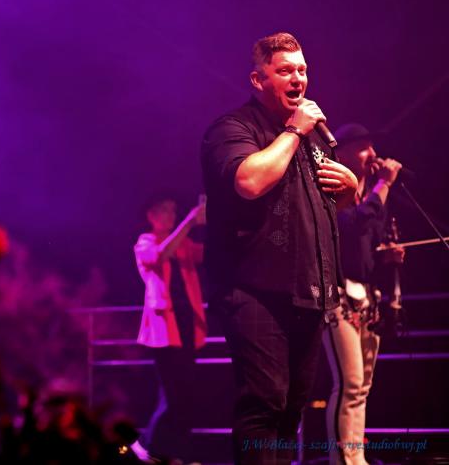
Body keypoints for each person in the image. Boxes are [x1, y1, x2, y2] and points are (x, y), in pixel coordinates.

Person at [200, 32, 358, 464]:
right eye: (285, 71)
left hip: (307, 294)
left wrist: (350, 190)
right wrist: (293, 130)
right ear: (258, 79)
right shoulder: (232, 128)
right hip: (253, 291)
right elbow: (250, 182)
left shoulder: (311, 138)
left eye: (302, 70)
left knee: (291, 410)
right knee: (264, 404)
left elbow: (319, 208)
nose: (298, 79)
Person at [322, 123, 405, 465]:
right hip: (338, 294)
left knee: (363, 386)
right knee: (349, 382)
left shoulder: (369, 194)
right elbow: (352, 224)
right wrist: (384, 185)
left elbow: (367, 240)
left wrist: (387, 255)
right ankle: (342, 460)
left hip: (366, 294)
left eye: (372, 146)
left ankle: (357, 458)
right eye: (363, 147)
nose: (372, 154)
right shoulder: (331, 186)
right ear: (341, 152)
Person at [131, 196, 207, 464]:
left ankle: (174, 453)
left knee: (185, 394)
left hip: (187, 326)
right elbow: (161, 254)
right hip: (163, 330)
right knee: (173, 394)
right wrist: (190, 222)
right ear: (151, 215)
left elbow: (207, 253)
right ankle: (148, 445)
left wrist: (212, 220)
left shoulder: (183, 243)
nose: (171, 214)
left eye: (174, 211)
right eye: (165, 210)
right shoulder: (145, 242)